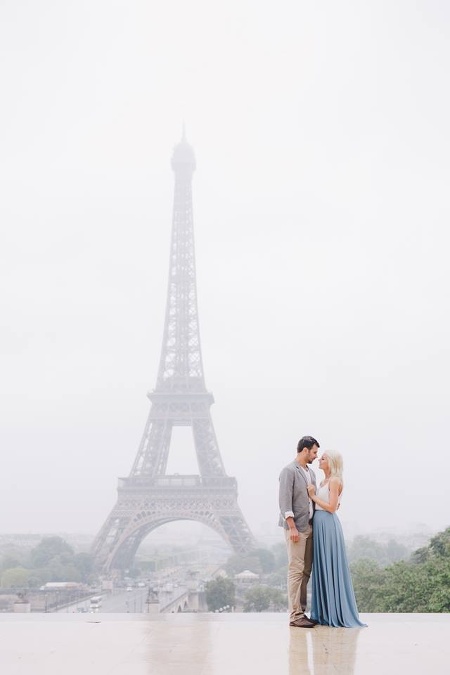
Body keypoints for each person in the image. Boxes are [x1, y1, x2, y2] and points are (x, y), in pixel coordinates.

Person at [307, 450, 367, 627]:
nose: (319, 459)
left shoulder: (334, 480)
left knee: (330, 565)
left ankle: (334, 612)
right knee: (322, 566)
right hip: (320, 525)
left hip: (328, 525)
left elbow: (332, 508)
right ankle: (325, 611)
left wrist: (312, 496)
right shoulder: (323, 481)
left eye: (323, 457)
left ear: (331, 462)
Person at [279, 435, 320, 628]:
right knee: (296, 570)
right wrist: (292, 526)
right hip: (296, 529)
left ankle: (301, 612)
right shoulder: (289, 471)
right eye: (314, 452)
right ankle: (295, 615)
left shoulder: (310, 473)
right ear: (305, 450)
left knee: (305, 571)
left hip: (309, 527)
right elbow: (284, 500)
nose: (316, 456)